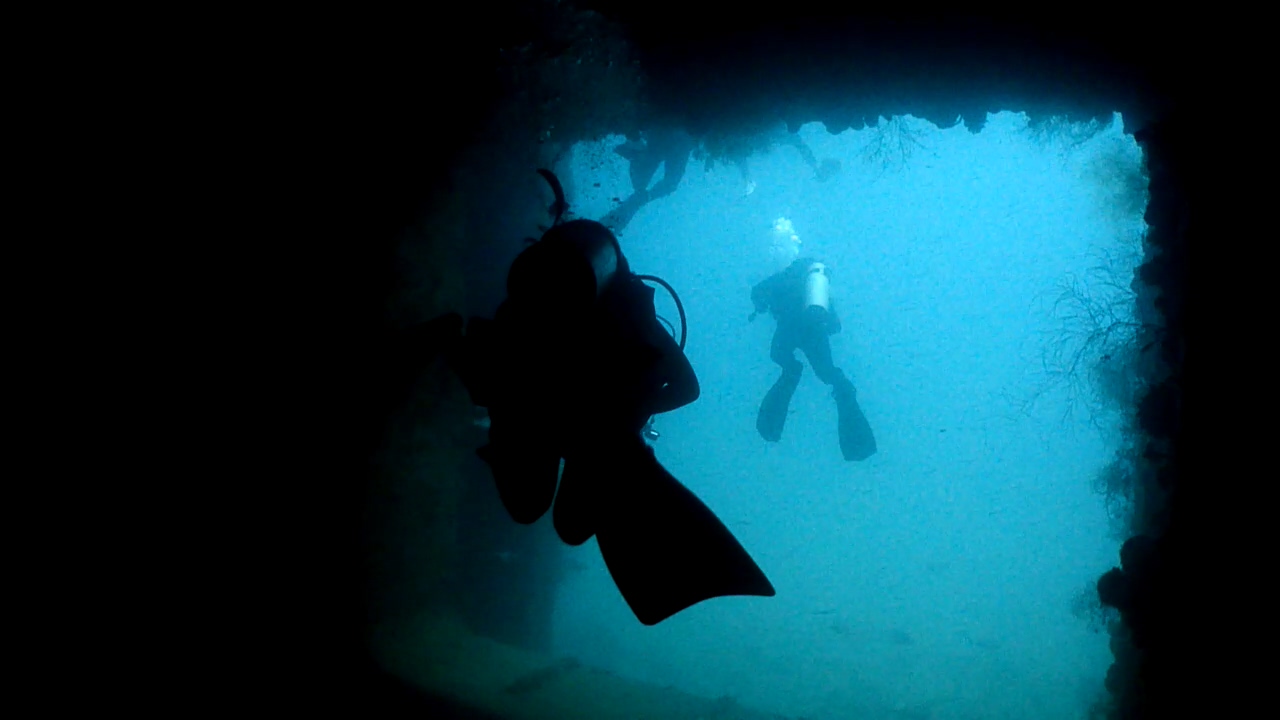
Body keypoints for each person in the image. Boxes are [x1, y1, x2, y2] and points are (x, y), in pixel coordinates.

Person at [432, 201, 775, 625]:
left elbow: (687, 388)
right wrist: (630, 412)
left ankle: (452, 344)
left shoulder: (597, 305)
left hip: (570, 426)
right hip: (562, 422)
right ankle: (451, 344)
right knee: (548, 515)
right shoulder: (611, 309)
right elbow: (687, 388)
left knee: (564, 523)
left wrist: (620, 416)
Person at [750, 257, 877, 461]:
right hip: (814, 331)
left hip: (789, 327)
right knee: (828, 373)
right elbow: (835, 326)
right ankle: (842, 389)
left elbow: (757, 292)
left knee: (780, 357)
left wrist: (761, 307)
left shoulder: (782, 278)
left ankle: (792, 372)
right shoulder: (816, 289)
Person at [601, 125, 697, 232]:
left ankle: (620, 217)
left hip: (663, 144)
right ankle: (620, 217)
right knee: (643, 186)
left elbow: (671, 181)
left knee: (643, 187)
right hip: (664, 142)